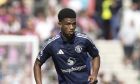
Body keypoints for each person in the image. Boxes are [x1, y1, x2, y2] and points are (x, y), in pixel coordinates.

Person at [33, 8, 100, 84]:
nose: (71, 27)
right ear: (60, 23)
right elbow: (37, 64)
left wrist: (94, 74)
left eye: (74, 24)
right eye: (68, 24)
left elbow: (96, 56)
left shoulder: (84, 40)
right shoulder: (51, 44)